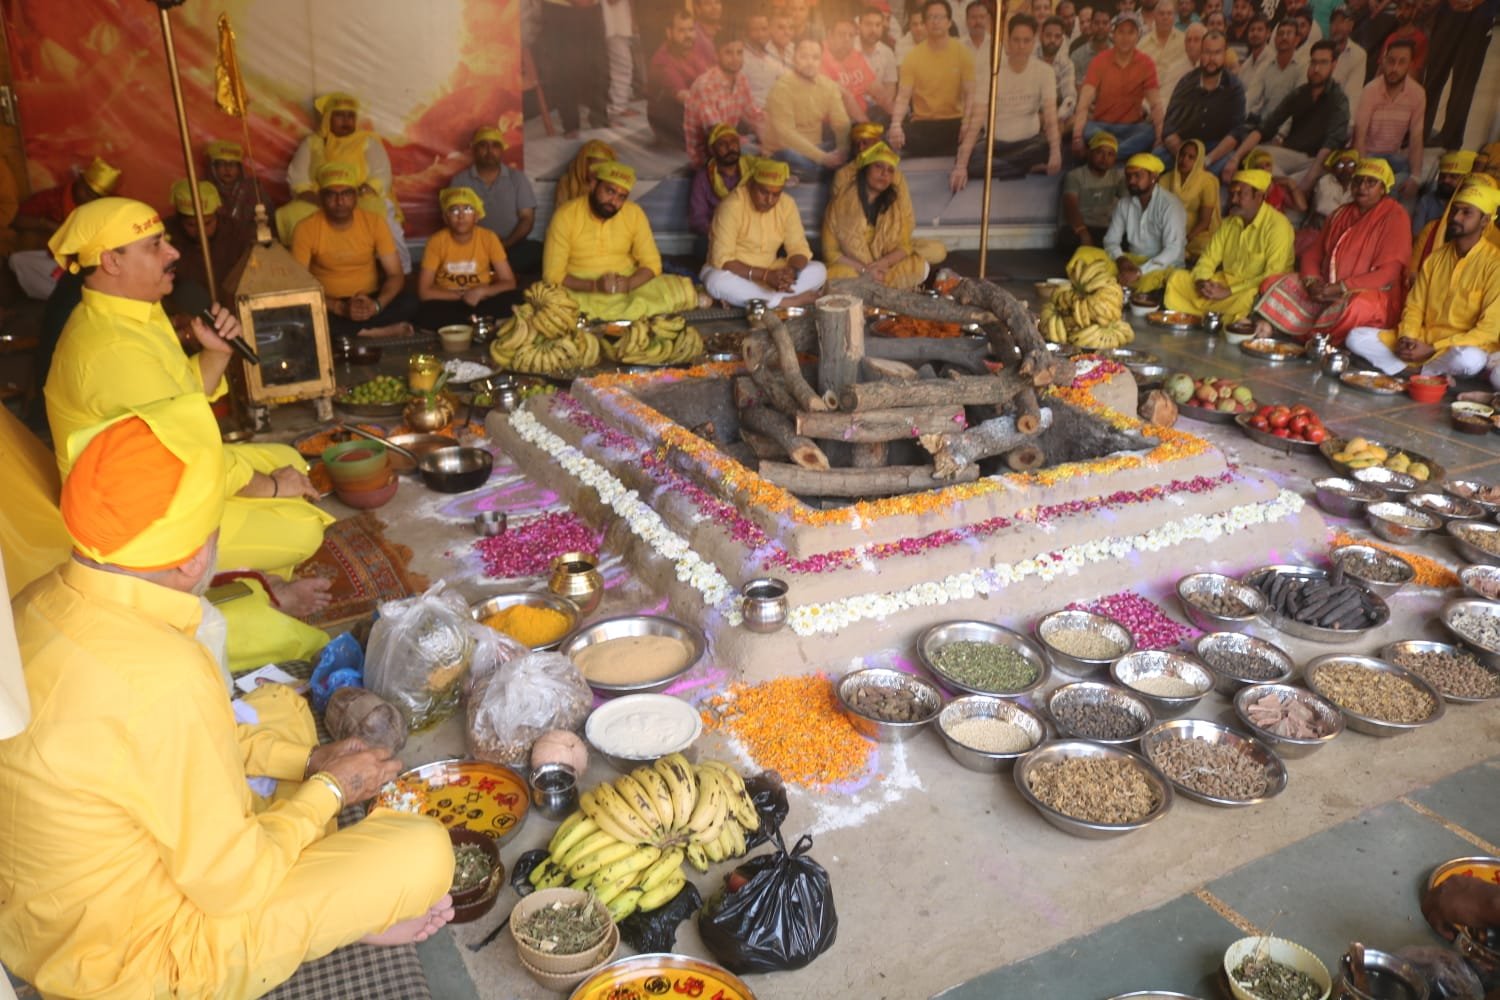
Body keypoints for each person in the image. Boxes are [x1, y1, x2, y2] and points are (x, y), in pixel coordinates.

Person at [0, 394, 455, 999]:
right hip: (143, 964)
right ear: (193, 561)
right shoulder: (162, 675)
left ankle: (322, 895)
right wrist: (330, 791)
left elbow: (172, 749)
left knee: (281, 706)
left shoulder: (35, 601)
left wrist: (310, 763)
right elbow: (231, 884)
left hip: (52, 928)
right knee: (422, 852)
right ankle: (331, 917)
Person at [44, 197, 335, 585]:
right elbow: (188, 450)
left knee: (289, 458)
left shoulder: (133, 310)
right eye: (155, 246)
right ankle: (219, 590)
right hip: (142, 517)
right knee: (303, 526)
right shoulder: (110, 349)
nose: (174, 252)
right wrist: (273, 486)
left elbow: (183, 399)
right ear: (112, 262)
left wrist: (216, 352)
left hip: (167, 470)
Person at [1346, 181, 1500, 376]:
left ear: (1485, 221)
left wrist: (1433, 347)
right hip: (1421, 339)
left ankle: (1410, 370)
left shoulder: (1495, 265)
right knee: (1356, 337)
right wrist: (1407, 337)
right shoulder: (1436, 258)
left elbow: (1487, 332)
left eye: (1466, 212)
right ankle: (1424, 373)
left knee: (1470, 359)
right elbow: (1415, 306)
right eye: (1454, 210)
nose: (1456, 217)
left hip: (1454, 347)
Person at [1251, 157, 1408, 343]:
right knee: (1275, 282)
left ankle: (1308, 337)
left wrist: (1342, 287)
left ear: (1383, 188)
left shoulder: (1395, 216)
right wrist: (1312, 282)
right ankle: (1304, 333)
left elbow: (1388, 274)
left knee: (1356, 307)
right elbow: (1313, 253)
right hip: (1325, 288)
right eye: (1358, 181)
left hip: (1368, 294)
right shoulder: (1341, 213)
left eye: (1371, 182)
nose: (1362, 187)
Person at [543, 160, 702, 320]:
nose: (614, 201)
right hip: (580, 286)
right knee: (549, 303)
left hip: (625, 284)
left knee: (677, 288)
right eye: (610, 191)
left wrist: (629, 284)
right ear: (593, 184)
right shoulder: (565, 215)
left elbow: (652, 264)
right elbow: (553, 274)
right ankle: (631, 315)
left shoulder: (634, 213)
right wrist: (594, 286)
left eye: (621, 196)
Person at [284, 93, 409, 273]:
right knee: (291, 216)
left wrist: (357, 194)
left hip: (362, 197)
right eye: (340, 115)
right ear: (328, 118)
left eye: (351, 116)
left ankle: (401, 272)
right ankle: (303, 276)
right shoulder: (313, 142)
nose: (346, 121)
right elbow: (298, 177)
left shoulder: (367, 141)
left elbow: (381, 174)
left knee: (384, 220)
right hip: (319, 200)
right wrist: (318, 198)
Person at [291, 163, 418, 340]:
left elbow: (395, 274)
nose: (340, 201)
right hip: (329, 304)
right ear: (321, 197)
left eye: (346, 193)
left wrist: (376, 305)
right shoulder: (306, 228)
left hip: (370, 300)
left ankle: (349, 333)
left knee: (411, 302)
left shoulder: (374, 222)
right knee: (300, 315)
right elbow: (299, 287)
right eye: (332, 194)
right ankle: (374, 332)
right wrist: (339, 307)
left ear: (356, 196)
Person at [1162, 168, 1296, 321]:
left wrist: (1229, 291)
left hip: (1252, 290)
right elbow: (1208, 259)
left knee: (1248, 299)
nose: (1233, 200)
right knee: (1177, 278)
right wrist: (1202, 281)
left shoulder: (1278, 226)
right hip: (1222, 285)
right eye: (1232, 194)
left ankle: (1205, 314)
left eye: (1240, 194)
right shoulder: (1228, 223)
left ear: (1259, 196)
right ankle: (1216, 316)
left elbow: (1273, 275)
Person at [702, 158, 828, 308]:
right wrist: (765, 276)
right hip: (736, 274)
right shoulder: (731, 206)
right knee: (715, 281)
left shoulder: (787, 205)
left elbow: (798, 249)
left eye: (776, 194)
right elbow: (723, 260)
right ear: (751, 184)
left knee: (819, 270)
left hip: (773, 272)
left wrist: (791, 272)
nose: (769, 200)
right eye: (764, 192)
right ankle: (786, 301)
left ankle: (759, 300)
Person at [953, 14, 1061, 188]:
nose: (1021, 46)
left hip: (1030, 142)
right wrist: (961, 166)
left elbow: (1050, 118)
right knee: (968, 159)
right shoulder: (991, 72)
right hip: (995, 144)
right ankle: (1023, 168)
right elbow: (976, 121)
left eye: (1027, 41)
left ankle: (1006, 166)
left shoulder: (1045, 72)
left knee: (1049, 149)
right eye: (1016, 40)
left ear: (1034, 42)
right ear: (1008, 41)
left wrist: (1055, 152)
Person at [1224, 40, 1348, 187]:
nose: (1316, 69)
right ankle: (1286, 186)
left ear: (1334, 65)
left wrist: (1308, 182)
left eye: (1323, 63)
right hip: (1292, 154)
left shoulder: (1338, 100)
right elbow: (1267, 126)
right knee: (1254, 155)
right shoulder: (1300, 94)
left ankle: (1287, 188)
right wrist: (1236, 158)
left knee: (1315, 182)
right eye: (1313, 62)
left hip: (1317, 161)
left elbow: (1330, 145)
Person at [823, 142, 946, 288]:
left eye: (890, 170)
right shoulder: (839, 204)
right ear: (865, 169)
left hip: (885, 264)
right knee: (833, 274)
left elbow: (905, 246)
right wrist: (865, 270)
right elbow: (830, 252)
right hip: (855, 267)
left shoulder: (896, 206)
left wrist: (882, 264)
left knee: (919, 265)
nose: (884, 174)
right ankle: (883, 286)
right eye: (878, 167)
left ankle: (870, 286)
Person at [9, 156, 121, 301]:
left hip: (96, 264)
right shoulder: (54, 197)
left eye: (96, 197)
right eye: (87, 192)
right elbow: (18, 219)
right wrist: (48, 225)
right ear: (79, 181)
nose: (89, 200)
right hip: (61, 261)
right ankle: (68, 298)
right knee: (18, 260)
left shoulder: (112, 205)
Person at [1070, 152, 1187, 290]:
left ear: (1154, 177)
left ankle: (1118, 284)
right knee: (1083, 254)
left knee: (1159, 282)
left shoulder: (1170, 205)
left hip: (1162, 266)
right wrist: (1121, 260)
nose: (1131, 181)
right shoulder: (1124, 204)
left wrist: (1140, 272)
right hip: (1132, 262)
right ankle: (1120, 283)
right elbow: (1111, 240)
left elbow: (1173, 250)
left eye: (1137, 175)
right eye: (1128, 176)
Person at [416, 187, 521, 330]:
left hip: (482, 299)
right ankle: (484, 323)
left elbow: (509, 282)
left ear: (477, 216)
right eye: (454, 210)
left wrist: (483, 291)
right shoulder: (436, 241)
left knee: (518, 298)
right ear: (445, 218)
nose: (461, 216)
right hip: (449, 300)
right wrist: (462, 295)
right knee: (423, 312)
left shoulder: (488, 238)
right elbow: (424, 291)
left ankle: (465, 324)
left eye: (468, 209)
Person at [451, 126, 543, 277]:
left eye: (495, 145)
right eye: (483, 145)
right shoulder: (460, 180)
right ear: (474, 149)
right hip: (474, 248)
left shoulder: (517, 178)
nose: (489, 150)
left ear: (502, 150)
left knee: (540, 251)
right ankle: (496, 274)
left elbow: (527, 219)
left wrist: (504, 244)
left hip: (511, 246)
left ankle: (493, 273)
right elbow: (453, 221)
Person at [889, 0, 977, 157]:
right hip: (924, 125)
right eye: (930, 17)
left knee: (977, 133)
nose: (935, 22)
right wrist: (896, 124)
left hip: (955, 123)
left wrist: (966, 123)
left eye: (940, 17)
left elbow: (971, 94)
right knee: (890, 137)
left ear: (949, 22)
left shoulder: (962, 53)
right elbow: (903, 96)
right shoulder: (912, 57)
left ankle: (935, 151)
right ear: (924, 23)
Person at [1074, 13, 1165, 158]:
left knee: (1152, 131)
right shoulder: (1099, 61)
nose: (1125, 38)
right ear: (1113, 34)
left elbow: (1155, 104)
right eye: (1121, 32)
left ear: (1138, 36)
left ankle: (1108, 154)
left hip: (1132, 128)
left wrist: (1160, 137)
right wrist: (1077, 136)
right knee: (1088, 130)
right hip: (1101, 125)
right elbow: (1084, 102)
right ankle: (1119, 153)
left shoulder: (1146, 63)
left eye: (1131, 33)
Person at [1161, 30, 1247, 173]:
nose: (1211, 58)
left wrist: (1207, 160)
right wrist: (1183, 156)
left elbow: (1236, 133)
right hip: (1185, 146)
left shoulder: (1234, 87)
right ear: (1200, 53)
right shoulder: (1186, 82)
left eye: (1217, 53)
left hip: (1216, 150)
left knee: (1226, 167)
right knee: (1155, 161)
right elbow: (1169, 127)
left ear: (1225, 54)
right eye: (1207, 52)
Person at [765, 37, 852, 178]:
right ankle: (831, 169)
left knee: (854, 134)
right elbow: (786, 135)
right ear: (794, 58)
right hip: (785, 150)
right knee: (790, 156)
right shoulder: (782, 87)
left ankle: (825, 168)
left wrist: (842, 150)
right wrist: (823, 158)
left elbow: (841, 123)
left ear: (821, 60)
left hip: (818, 148)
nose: (810, 62)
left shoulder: (828, 86)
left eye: (815, 57)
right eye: (804, 57)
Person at [1354, 39, 1424, 196]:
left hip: (1393, 157)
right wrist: (1365, 172)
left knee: (1412, 179)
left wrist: (1416, 177)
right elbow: (1359, 137)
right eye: (1391, 61)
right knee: (1378, 185)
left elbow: (1416, 138)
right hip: (1369, 155)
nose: (1394, 68)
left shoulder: (1417, 93)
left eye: (1402, 62)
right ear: (1384, 61)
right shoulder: (1370, 90)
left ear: (1410, 64)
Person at [684, 31, 763, 165]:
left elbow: (754, 115)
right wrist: (764, 151)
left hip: (733, 141)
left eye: (739, 52)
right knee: (762, 154)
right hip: (710, 153)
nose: (735, 58)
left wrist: (769, 139)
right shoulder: (706, 85)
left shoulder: (741, 79)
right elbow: (717, 132)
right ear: (716, 55)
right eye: (728, 53)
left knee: (779, 147)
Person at [163, 179, 240, 314]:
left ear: (217, 215)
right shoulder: (165, 237)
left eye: (208, 223)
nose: (201, 231)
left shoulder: (235, 232)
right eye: (191, 225)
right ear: (179, 220)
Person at [1422, 0, 1491, 149]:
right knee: (1434, 73)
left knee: (1464, 81)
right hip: (1448, 10)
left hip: (1481, 13)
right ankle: (1419, 129)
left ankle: (1450, 138)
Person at [541, 0, 609, 137]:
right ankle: (570, 125)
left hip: (593, 6)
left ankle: (600, 118)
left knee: (599, 64)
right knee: (564, 66)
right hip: (560, 8)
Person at [647, 10, 711, 146]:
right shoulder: (662, 60)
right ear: (669, 33)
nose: (688, 35)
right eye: (681, 30)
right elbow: (683, 96)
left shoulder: (693, 48)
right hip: (670, 115)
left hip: (692, 107)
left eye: (691, 29)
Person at [689, 123, 751, 256]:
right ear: (712, 150)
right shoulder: (703, 178)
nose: (730, 147)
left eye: (734, 142)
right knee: (701, 246)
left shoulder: (752, 171)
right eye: (723, 144)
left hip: (751, 232)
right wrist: (723, 232)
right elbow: (698, 219)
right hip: (720, 234)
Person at [1060, 131, 1128, 249]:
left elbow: (1129, 203)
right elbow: (1071, 207)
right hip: (1081, 227)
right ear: (1089, 153)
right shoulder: (1075, 176)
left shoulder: (1118, 177)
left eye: (1110, 154)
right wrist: (1082, 231)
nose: (1104, 158)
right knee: (1068, 239)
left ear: (1115, 158)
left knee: (1131, 239)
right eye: (1099, 152)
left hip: (1105, 228)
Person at [824, 16, 893, 122]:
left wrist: (897, 121)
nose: (847, 39)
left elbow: (877, 90)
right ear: (830, 35)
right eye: (841, 34)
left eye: (851, 35)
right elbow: (846, 98)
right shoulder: (819, 56)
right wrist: (868, 128)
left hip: (863, 113)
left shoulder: (854, 55)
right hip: (836, 122)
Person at [1161, 137, 1222, 257]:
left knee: (1208, 247)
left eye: (1191, 157)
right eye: (1182, 155)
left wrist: (1185, 240)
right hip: (1168, 232)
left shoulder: (1207, 181)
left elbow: (1205, 221)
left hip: (1195, 235)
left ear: (1198, 160)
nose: (1184, 160)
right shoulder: (1166, 179)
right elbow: (1158, 212)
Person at [204, 140, 260, 261]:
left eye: (233, 164)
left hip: (250, 250)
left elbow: (267, 221)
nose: (227, 169)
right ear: (213, 167)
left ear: (240, 168)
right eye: (222, 164)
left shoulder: (252, 189)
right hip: (217, 252)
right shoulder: (204, 191)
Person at [1246, 20, 1306, 125]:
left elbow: (1299, 107)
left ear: (1297, 40)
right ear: (1274, 40)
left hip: (1291, 129)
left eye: (1289, 33)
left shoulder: (1303, 67)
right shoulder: (1265, 66)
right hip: (1264, 126)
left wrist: (1282, 134)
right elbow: (1251, 97)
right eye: (1281, 33)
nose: (1284, 37)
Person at [1411, 149, 1475, 237]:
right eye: (1442, 176)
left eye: (1453, 177)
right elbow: (1416, 235)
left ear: (1464, 180)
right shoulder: (1426, 201)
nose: (1445, 180)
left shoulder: (1470, 207)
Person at [1327, 6, 1367, 127]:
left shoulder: (1359, 55)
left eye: (1342, 22)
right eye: (1334, 22)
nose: (1336, 26)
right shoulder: (1321, 49)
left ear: (1351, 25)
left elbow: (1353, 96)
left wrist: (1345, 126)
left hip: (1339, 118)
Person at [1039, 16, 1080, 129]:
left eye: (1057, 36)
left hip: (1056, 114)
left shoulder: (1066, 64)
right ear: (1041, 36)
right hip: (1034, 114)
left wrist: (1057, 117)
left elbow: (1070, 98)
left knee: (1075, 120)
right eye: (1048, 35)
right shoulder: (1031, 58)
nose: (1052, 40)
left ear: (1062, 40)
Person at [743, 11, 789, 106]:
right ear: (747, 32)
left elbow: (784, 83)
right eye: (755, 30)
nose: (760, 34)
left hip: (773, 111)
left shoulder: (773, 55)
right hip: (749, 114)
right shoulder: (741, 57)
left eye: (764, 29)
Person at [555, 139, 617, 207]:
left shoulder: (613, 186)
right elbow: (561, 212)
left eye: (604, 168)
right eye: (594, 165)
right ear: (583, 164)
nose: (598, 172)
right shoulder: (567, 183)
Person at [1139, 0, 1188, 87]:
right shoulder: (1142, 44)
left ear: (1174, 17)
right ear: (1154, 16)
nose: (1165, 17)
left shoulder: (1185, 42)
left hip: (1177, 95)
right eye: (1161, 14)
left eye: (1169, 14)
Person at [858, 4, 901, 95]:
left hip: (879, 105)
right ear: (859, 26)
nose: (873, 29)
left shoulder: (887, 53)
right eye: (868, 24)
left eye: (878, 25)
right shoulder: (849, 48)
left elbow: (890, 90)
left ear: (882, 27)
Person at [1070, 7, 1114, 83]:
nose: (1101, 27)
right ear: (1091, 25)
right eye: (1097, 23)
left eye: (1105, 23)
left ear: (1110, 26)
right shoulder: (1077, 56)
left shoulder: (1119, 53)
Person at [1237, 14, 1274, 80]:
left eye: (1260, 30)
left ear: (1268, 33)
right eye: (1252, 30)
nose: (1255, 33)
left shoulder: (1273, 61)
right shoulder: (1246, 65)